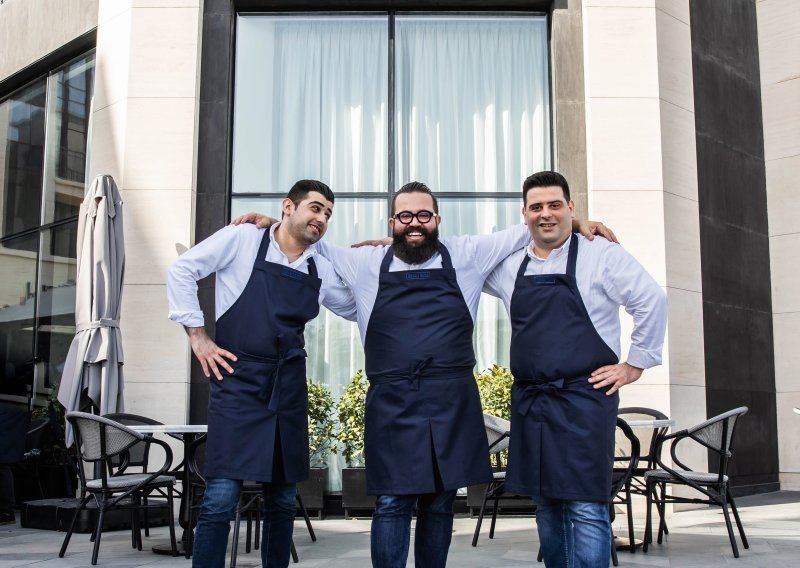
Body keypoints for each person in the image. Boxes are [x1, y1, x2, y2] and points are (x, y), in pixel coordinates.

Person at [235, 181, 614, 568]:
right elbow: (308, 240)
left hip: (453, 398)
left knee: (441, 500)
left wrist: (578, 220)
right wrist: (274, 223)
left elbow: (535, 225)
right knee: (392, 501)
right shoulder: (364, 262)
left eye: (423, 216)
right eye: (405, 216)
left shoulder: (467, 254)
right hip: (393, 400)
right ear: (392, 221)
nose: (414, 223)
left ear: (437, 219)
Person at [167, 180, 355, 568]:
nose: (321, 218)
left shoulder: (319, 265)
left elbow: (354, 307)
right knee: (220, 498)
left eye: (328, 214)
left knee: (283, 501)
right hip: (237, 380)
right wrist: (198, 337)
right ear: (289, 206)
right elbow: (182, 270)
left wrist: (389, 259)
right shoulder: (243, 238)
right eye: (315, 208)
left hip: (287, 386)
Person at [483, 171, 668, 568]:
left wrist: (634, 365)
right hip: (532, 400)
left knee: (586, 505)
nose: (546, 214)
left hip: (585, 398)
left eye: (555, 205)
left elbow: (651, 300)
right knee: (546, 504)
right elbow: (455, 259)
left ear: (571, 207)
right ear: (524, 215)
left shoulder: (601, 254)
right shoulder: (509, 265)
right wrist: (390, 245)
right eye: (536, 207)